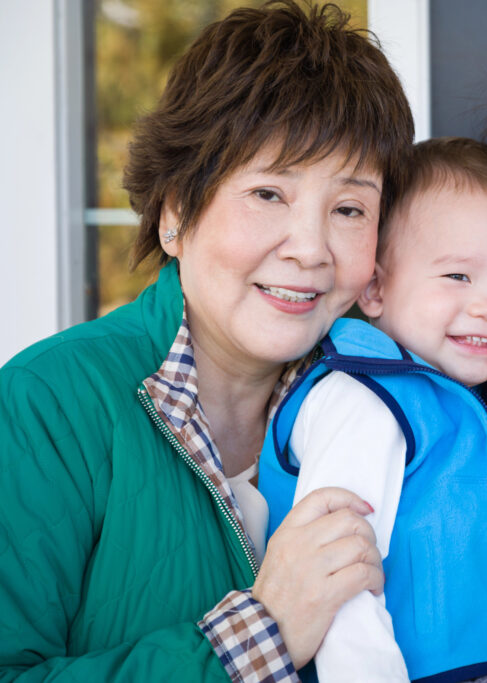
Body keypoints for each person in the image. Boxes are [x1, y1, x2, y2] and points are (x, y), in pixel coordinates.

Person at [0, 3, 414, 681]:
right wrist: (262, 632)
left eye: (348, 208)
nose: (310, 249)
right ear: (174, 215)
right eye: (268, 194)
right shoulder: (44, 405)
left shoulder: (392, 404)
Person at [257, 137, 487, 682]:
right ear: (378, 289)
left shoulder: (460, 398)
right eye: (458, 275)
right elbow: (336, 579)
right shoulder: (364, 396)